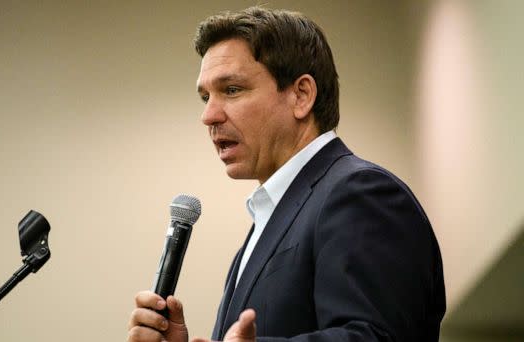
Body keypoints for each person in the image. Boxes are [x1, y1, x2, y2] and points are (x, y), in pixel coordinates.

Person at [128, 6, 445, 342]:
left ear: (301, 95)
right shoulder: (263, 227)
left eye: (232, 90)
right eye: (205, 97)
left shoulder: (360, 193)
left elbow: (378, 337)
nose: (208, 115)